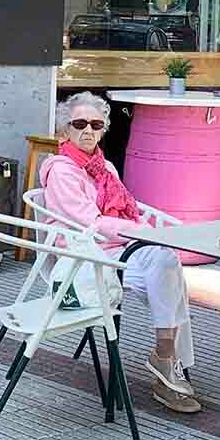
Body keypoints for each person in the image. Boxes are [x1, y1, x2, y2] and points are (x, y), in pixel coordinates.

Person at [37, 92, 200, 415]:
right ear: (64, 130)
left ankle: (164, 357)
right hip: (86, 256)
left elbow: (125, 210)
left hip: (119, 250)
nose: (88, 131)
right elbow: (90, 222)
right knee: (163, 268)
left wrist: (145, 233)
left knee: (167, 261)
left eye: (95, 125)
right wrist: (140, 232)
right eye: (79, 123)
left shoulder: (105, 166)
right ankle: (167, 370)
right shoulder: (61, 170)